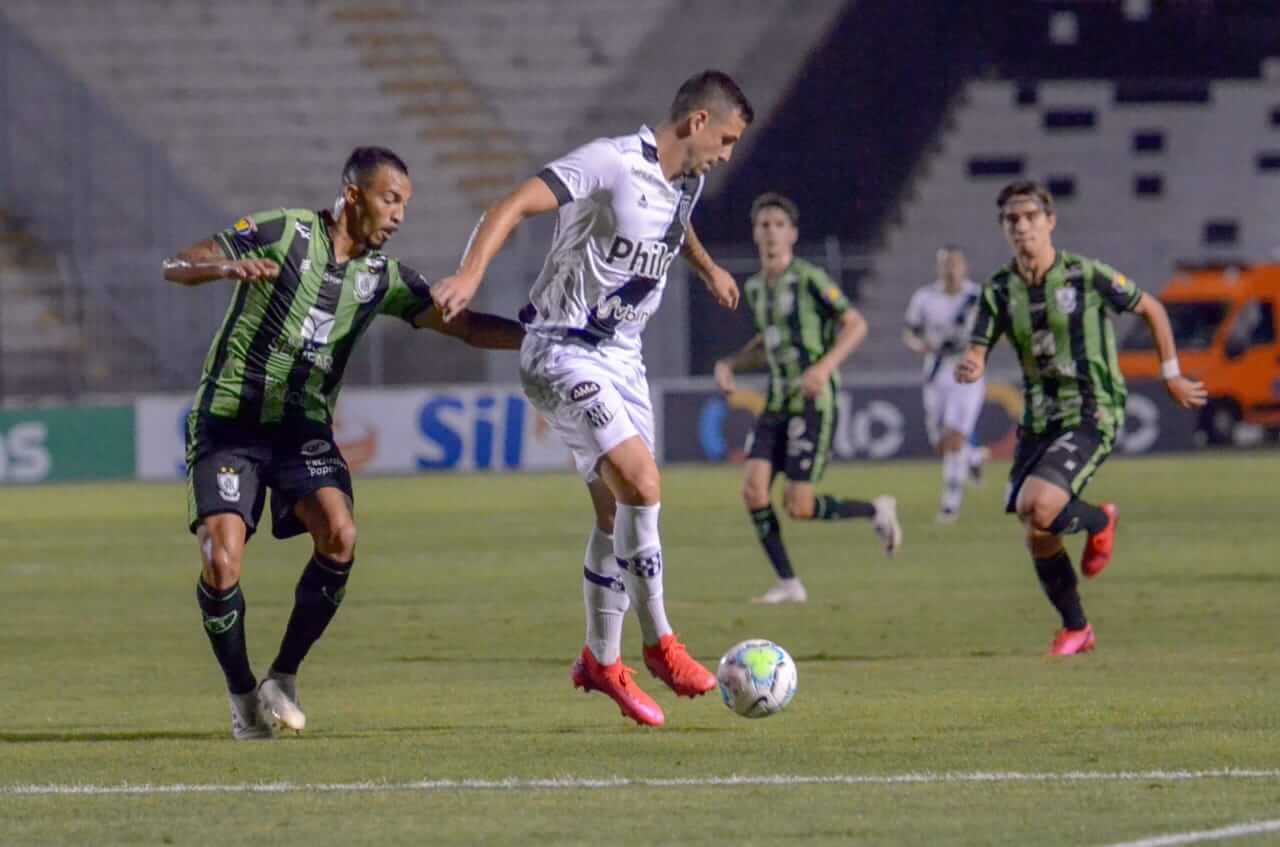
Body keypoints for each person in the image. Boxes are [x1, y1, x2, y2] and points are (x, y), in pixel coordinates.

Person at [164, 146, 524, 739]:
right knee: (221, 560)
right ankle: (241, 695)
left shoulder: (382, 278)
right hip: (228, 420)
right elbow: (177, 264)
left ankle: (283, 675)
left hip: (301, 427)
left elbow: (463, 326)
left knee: (340, 533)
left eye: (405, 204)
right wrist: (226, 268)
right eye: (390, 199)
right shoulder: (284, 233)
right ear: (352, 196)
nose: (399, 215)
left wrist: (536, 340)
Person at [432, 70, 751, 727]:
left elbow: (675, 224)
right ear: (696, 122)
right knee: (642, 480)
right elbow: (513, 204)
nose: (727, 153)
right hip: (561, 347)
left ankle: (601, 661)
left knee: (614, 516)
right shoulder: (609, 161)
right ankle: (661, 641)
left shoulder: (688, 180)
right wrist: (470, 273)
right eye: (726, 138)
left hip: (623, 361)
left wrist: (709, 266)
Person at [956, 179, 1206, 655]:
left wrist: (1171, 374)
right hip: (1039, 420)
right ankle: (1078, 627)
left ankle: (1098, 520)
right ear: (1004, 229)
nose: (1023, 226)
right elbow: (978, 346)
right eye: (1013, 219)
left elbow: (1151, 307)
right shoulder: (999, 290)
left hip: (1092, 409)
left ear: (1050, 222)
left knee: (1041, 506)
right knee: (1038, 532)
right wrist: (972, 364)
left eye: (1031, 216)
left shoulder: (1084, 275)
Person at [714, 193, 901, 605]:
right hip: (776, 402)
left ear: (793, 234)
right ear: (755, 233)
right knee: (753, 491)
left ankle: (876, 510)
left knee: (798, 505)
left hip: (813, 403)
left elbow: (855, 324)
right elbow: (767, 344)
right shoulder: (756, 288)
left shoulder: (809, 278)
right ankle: (788, 584)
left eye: (779, 224)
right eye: (764, 225)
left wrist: (824, 367)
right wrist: (731, 363)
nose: (771, 232)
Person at [903, 245, 990, 523]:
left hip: (966, 371)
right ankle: (973, 457)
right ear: (938, 267)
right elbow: (910, 332)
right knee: (940, 442)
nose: (950, 269)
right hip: (936, 372)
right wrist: (919, 346)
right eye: (945, 264)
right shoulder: (925, 298)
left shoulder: (976, 297)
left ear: (964, 266)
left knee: (954, 438)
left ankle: (950, 503)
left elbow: (993, 331)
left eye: (955, 263)